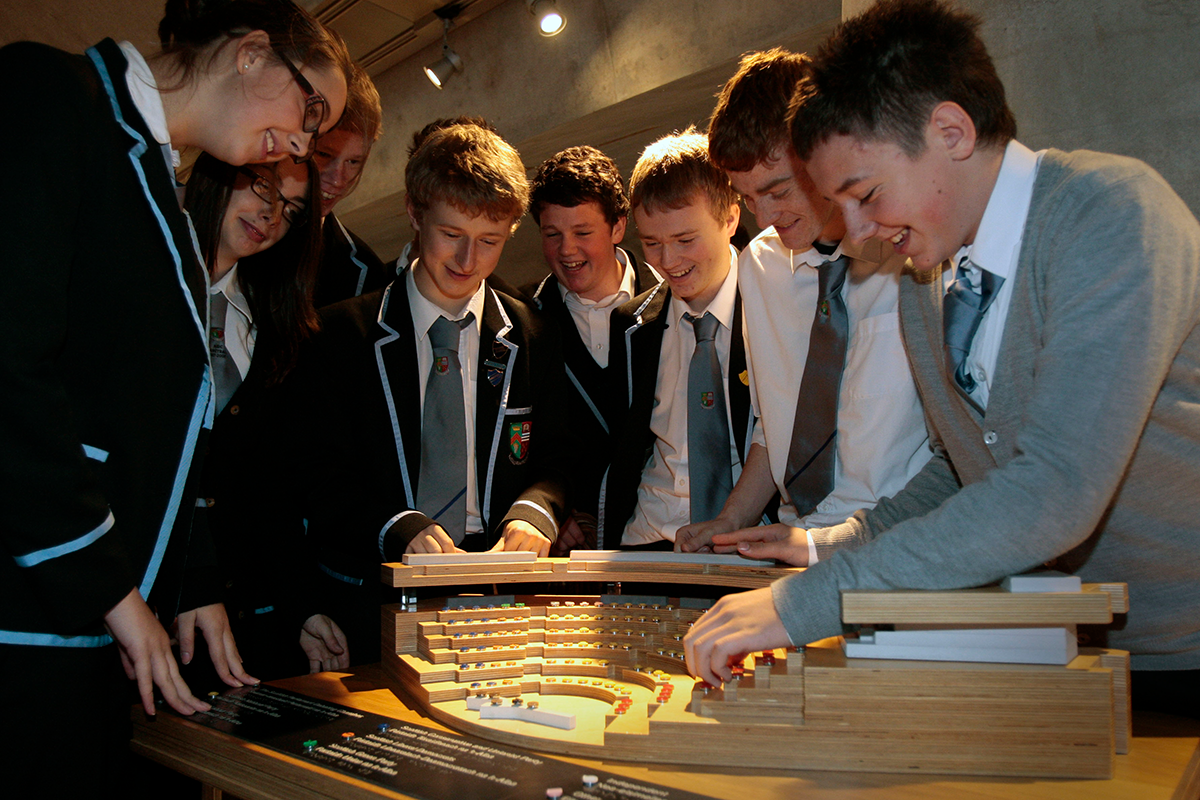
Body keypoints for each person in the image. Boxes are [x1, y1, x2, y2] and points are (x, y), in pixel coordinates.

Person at [683, 0, 1200, 720]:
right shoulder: (927, 278)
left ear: (951, 131)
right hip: (1072, 650)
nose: (856, 228)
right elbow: (966, 463)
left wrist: (810, 601)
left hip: (1184, 649)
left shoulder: (1112, 216)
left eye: (865, 194)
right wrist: (835, 544)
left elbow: (1053, 487)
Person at [0, 0, 350, 790]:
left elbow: (141, 426)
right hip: (28, 619)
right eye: (310, 110)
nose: (302, 144)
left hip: (90, 628)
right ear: (253, 52)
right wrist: (117, 595)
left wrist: (188, 583)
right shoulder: (49, 92)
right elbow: (13, 375)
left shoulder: (150, 176)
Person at [285, 122, 570, 663]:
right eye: (451, 235)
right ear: (415, 216)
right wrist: (395, 525)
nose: (467, 261)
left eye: (489, 242)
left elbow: (557, 456)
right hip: (369, 603)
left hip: (494, 601)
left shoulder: (534, 336)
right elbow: (315, 475)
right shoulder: (336, 338)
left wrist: (537, 510)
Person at [675, 48, 929, 562]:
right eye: (747, 199)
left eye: (777, 190)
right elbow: (779, 425)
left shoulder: (912, 251)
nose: (765, 215)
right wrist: (732, 520)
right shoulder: (759, 267)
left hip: (897, 543)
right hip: (794, 543)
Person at [185, 153, 334, 681]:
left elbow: (270, 487)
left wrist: (301, 607)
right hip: (135, 596)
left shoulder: (271, 322)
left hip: (231, 613)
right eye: (262, 188)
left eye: (292, 210)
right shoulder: (140, 287)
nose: (272, 217)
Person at [601, 130, 750, 549]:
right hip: (645, 542)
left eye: (685, 240)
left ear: (730, 219)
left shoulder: (771, 307)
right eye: (651, 243)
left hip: (743, 544)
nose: (668, 261)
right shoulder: (632, 327)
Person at [525, 146, 661, 553]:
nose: (567, 250)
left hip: (668, 543)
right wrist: (557, 513)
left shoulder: (673, 303)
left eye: (583, 233)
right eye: (553, 235)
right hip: (573, 556)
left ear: (618, 226)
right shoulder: (524, 327)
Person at [310, 63, 392, 309]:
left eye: (354, 161)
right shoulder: (234, 228)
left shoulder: (366, 274)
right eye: (324, 154)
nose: (338, 179)